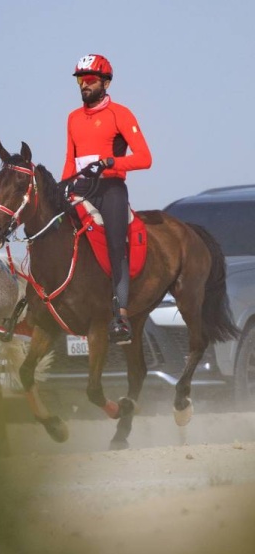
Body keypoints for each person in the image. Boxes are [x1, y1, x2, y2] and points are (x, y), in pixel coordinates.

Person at [62, 54, 152, 345]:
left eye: (89, 80)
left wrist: (109, 163)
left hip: (111, 189)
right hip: (81, 188)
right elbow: (69, 159)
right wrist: (63, 188)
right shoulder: (73, 118)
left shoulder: (120, 114)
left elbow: (145, 159)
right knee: (56, 233)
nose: (83, 85)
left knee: (116, 244)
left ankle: (121, 315)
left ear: (105, 82)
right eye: (80, 80)